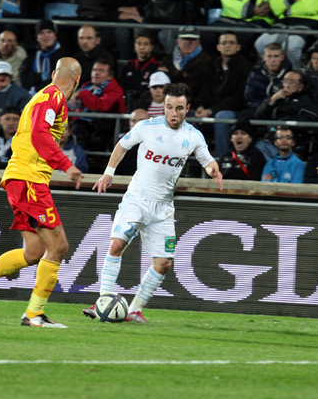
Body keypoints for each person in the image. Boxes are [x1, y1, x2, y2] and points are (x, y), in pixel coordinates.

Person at [0, 57, 85, 328]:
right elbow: (39, 135)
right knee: (59, 246)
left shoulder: (42, 96)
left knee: (35, 251)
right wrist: (66, 165)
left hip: (19, 179)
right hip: (29, 180)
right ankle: (34, 314)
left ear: (53, 73)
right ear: (78, 81)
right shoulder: (54, 97)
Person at [85, 82, 223, 324]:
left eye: (179, 108)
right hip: (136, 199)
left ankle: (134, 310)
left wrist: (214, 171)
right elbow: (122, 146)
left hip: (163, 208)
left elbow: (207, 160)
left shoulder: (193, 136)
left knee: (163, 264)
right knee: (116, 245)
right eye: (169, 107)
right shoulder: (146, 127)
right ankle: (104, 301)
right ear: (163, 106)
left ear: (187, 108)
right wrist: (108, 173)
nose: (173, 113)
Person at [194, 31, 253, 160]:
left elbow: (238, 99)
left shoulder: (245, 67)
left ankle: (221, 161)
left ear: (238, 47)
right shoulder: (213, 65)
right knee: (188, 116)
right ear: (218, 47)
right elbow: (205, 91)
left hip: (234, 112)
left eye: (231, 43)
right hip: (211, 111)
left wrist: (210, 111)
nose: (227, 46)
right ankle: (186, 162)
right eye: (224, 43)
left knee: (222, 117)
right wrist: (201, 107)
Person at [68, 57, 125, 152]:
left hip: (103, 130)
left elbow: (100, 106)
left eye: (101, 70)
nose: (96, 73)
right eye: (94, 70)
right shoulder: (87, 86)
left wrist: (82, 94)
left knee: (77, 128)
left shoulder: (115, 89)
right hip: (83, 126)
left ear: (109, 76)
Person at [159, 25, 212, 104]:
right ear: (178, 41)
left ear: (198, 42)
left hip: (193, 103)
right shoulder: (167, 59)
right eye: (184, 39)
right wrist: (183, 75)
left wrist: (170, 74)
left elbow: (194, 86)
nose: (188, 43)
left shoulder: (206, 61)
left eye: (193, 39)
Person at [20, 19, 69, 94]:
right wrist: (40, 77)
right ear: (37, 38)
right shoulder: (32, 57)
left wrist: (37, 89)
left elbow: (58, 80)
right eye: (41, 33)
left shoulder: (64, 56)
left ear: (55, 36)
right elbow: (24, 78)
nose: (46, 35)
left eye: (49, 32)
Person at [117, 29, 161, 110]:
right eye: (139, 44)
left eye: (146, 44)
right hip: (128, 106)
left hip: (148, 107)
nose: (142, 47)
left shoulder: (156, 68)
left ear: (151, 47)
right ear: (134, 45)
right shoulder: (127, 66)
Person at [244, 42, 292, 112]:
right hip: (257, 111)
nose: (273, 60)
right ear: (264, 58)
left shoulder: (290, 75)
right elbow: (249, 101)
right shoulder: (254, 74)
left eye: (276, 56)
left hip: (280, 112)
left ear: (282, 57)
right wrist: (270, 100)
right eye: (269, 56)